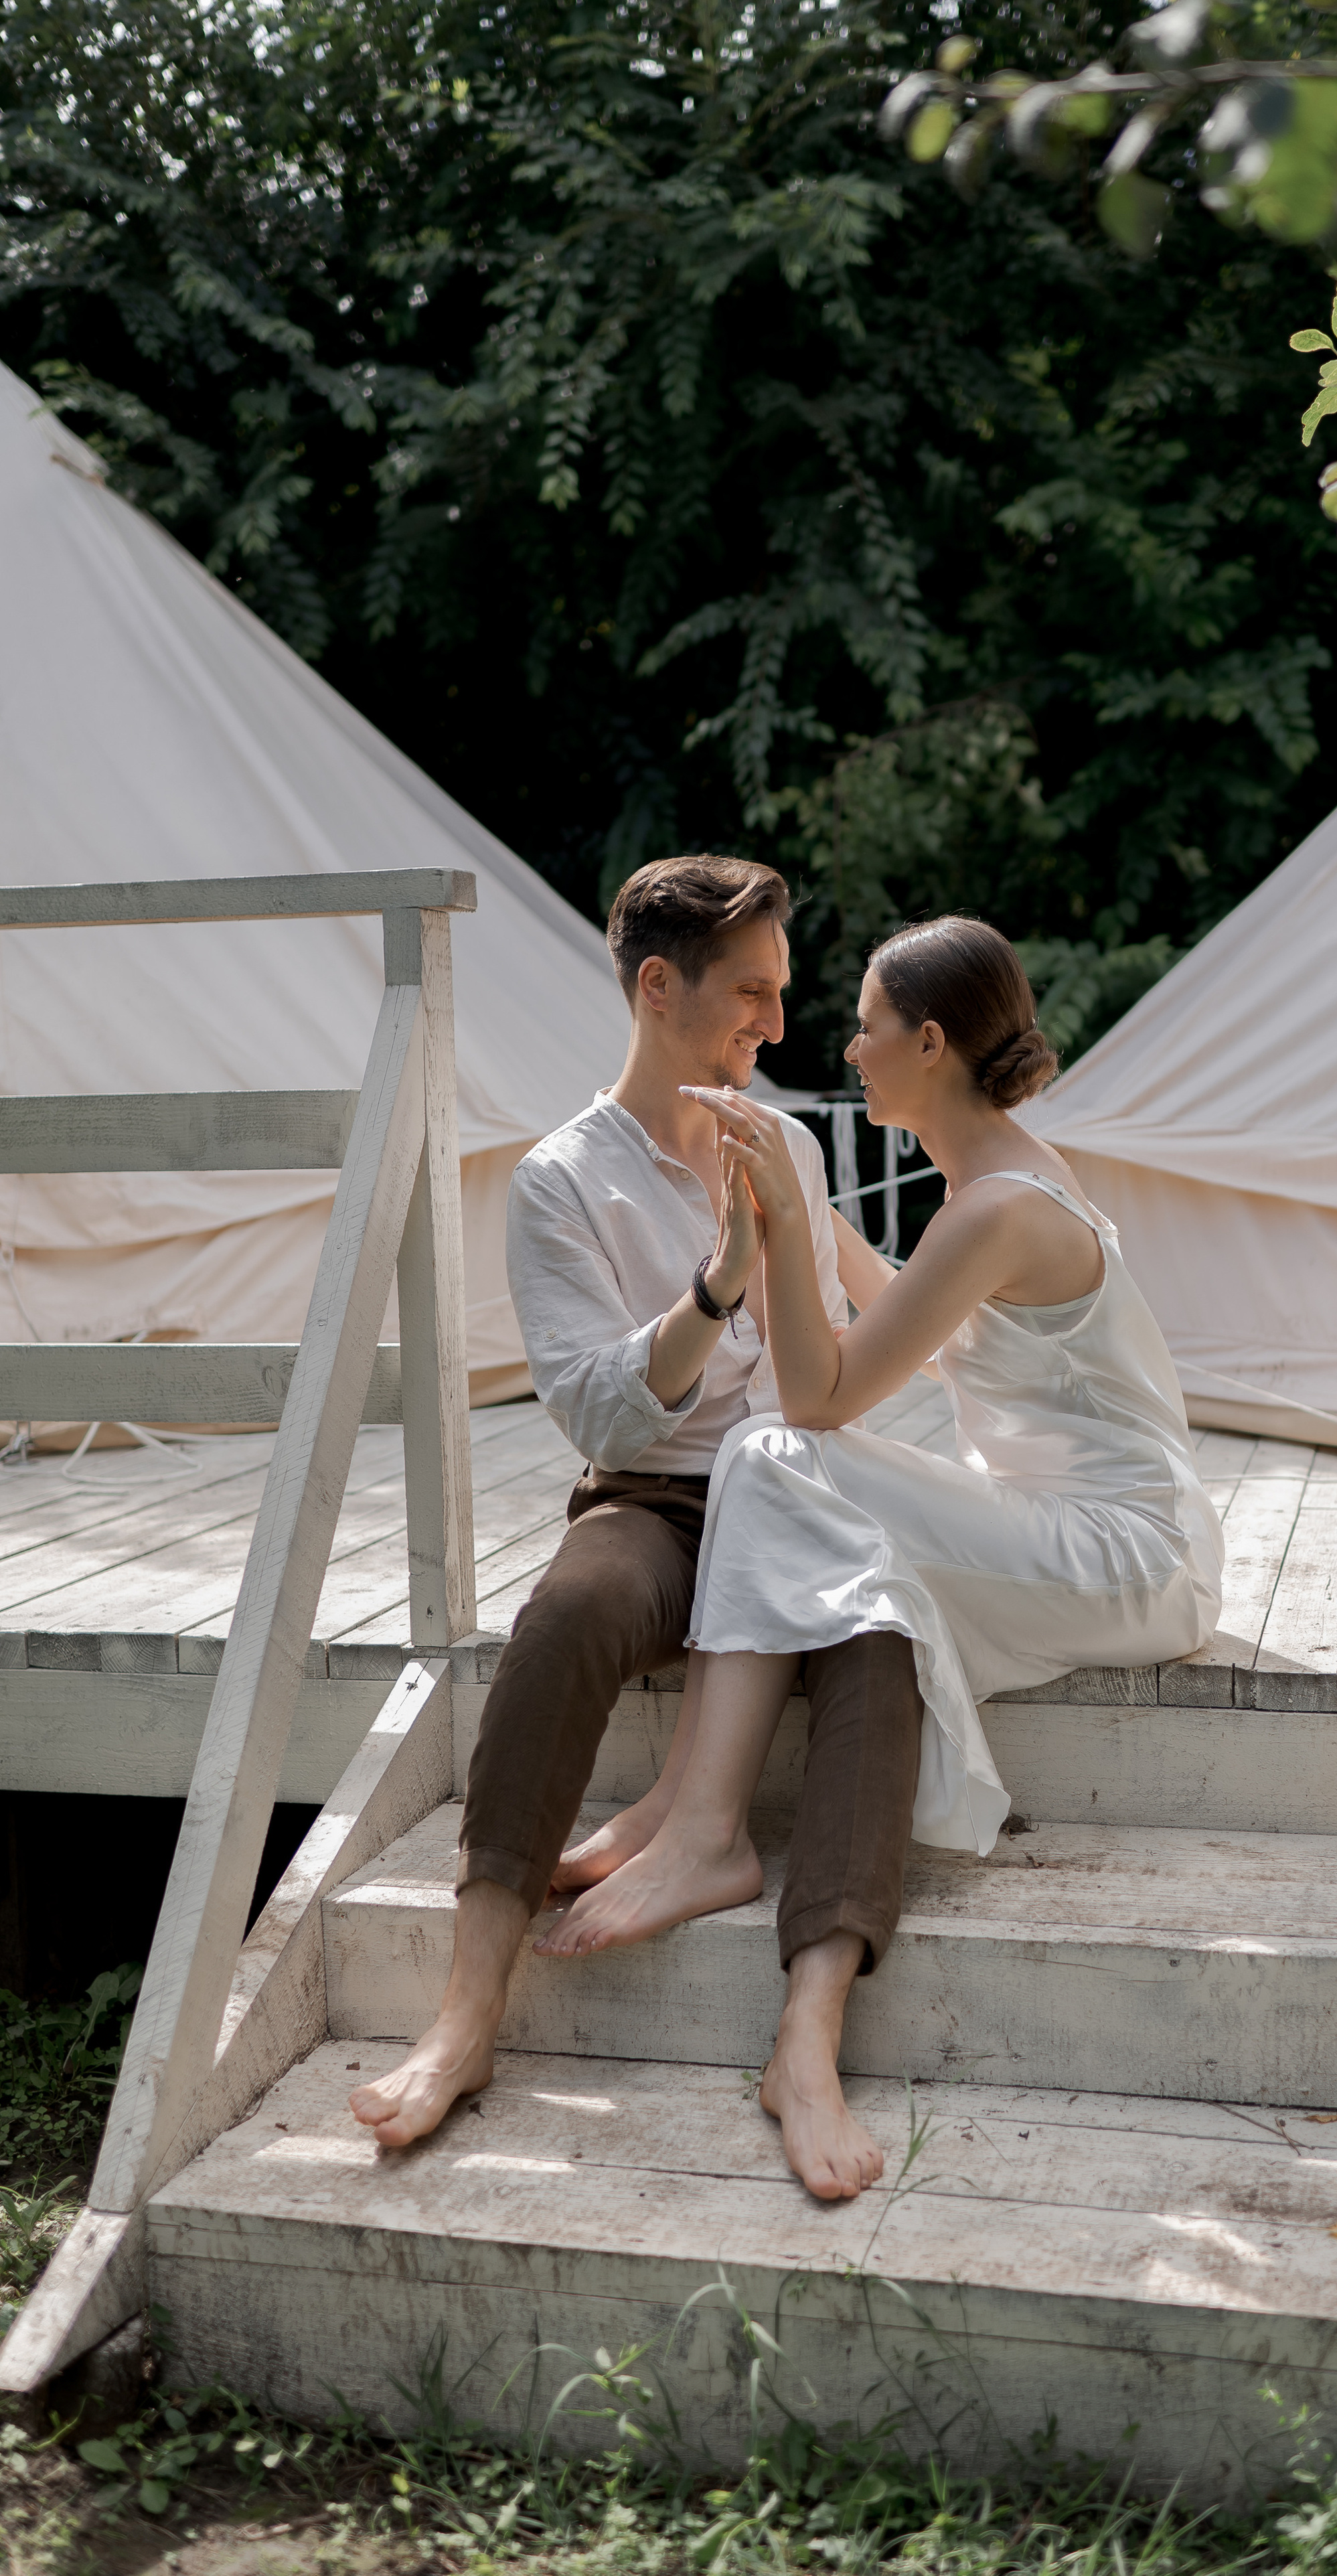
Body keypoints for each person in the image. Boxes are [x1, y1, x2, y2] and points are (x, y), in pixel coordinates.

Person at [349, 856, 923, 2202]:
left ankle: (808, 2035)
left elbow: (851, 1330)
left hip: (799, 1479)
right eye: (750, 994)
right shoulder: (560, 1180)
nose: (776, 1028)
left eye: (783, 995)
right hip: (658, 1495)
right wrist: (719, 1278)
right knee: (567, 1611)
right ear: (657, 987)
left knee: (882, 1648)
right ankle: (467, 2013)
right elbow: (605, 1417)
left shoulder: (786, 1140)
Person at [551, 915, 1225, 1971]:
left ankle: (697, 1828)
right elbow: (897, 1303)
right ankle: (680, 1809)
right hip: (1114, 1535)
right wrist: (797, 1209)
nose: (849, 1050)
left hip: (1126, 1557)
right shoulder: (996, 1185)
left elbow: (821, 1398)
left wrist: (776, 1204)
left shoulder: (995, 1210)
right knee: (777, 1464)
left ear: (931, 1043)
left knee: (775, 1451)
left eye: (869, 1029)